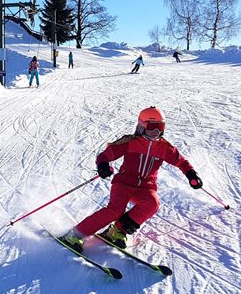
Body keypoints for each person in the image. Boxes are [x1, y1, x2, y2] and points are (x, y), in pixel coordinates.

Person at [58, 107, 202, 252]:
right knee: (115, 210)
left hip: (146, 187)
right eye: (152, 128)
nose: (155, 133)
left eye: (160, 128)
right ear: (141, 126)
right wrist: (103, 165)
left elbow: (182, 162)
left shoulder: (165, 148)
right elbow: (106, 155)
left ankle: (117, 231)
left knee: (152, 203)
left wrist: (191, 175)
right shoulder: (130, 142)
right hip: (123, 184)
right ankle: (76, 234)